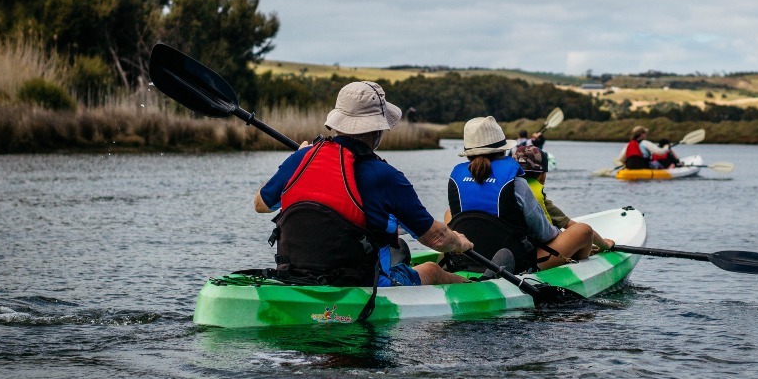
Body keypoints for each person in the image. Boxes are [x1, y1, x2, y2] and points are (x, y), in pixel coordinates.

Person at [255, 81, 471, 288]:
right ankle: (476, 286)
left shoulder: (301, 159)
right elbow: (436, 238)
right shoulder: (386, 176)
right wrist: (460, 243)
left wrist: (299, 157)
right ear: (377, 131)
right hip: (364, 284)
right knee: (433, 270)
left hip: (296, 277)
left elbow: (260, 204)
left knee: (399, 251)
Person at [446, 116, 597, 272]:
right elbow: (544, 234)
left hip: (468, 258)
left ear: (468, 153)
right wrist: (563, 237)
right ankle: (577, 264)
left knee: (448, 213)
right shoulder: (515, 181)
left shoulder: (455, 179)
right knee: (583, 231)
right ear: (503, 150)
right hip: (517, 263)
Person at [513, 144, 614, 254]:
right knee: (585, 231)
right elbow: (570, 225)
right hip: (537, 255)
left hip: (514, 250)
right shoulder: (536, 196)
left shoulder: (507, 190)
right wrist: (604, 244)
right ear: (543, 175)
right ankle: (581, 257)